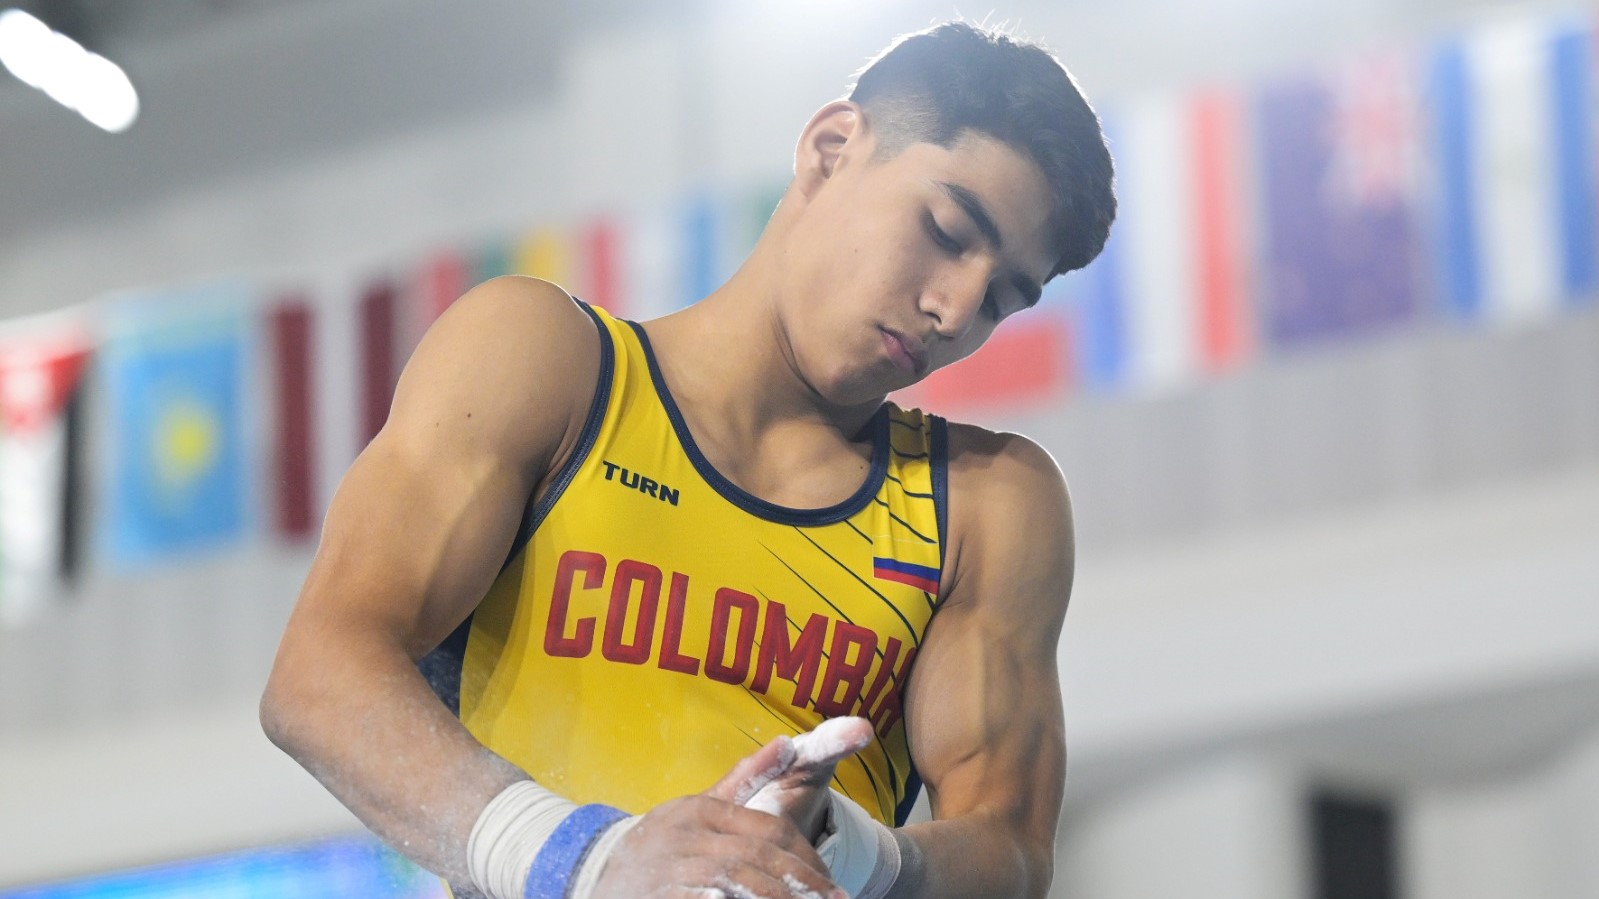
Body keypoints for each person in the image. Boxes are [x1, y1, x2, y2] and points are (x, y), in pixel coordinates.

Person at [261, 19, 1114, 899]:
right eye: (944, 229)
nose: (955, 308)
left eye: (1004, 297)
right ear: (829, 150)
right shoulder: (545, 365)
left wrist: (856, 850)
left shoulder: (981, 503)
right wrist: (588, 859)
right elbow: (320, 673)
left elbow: (1009, 849)